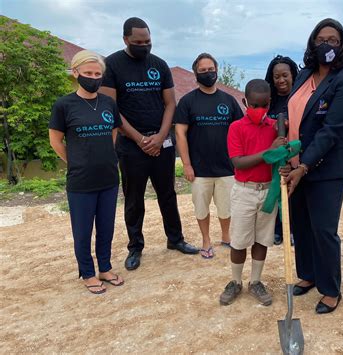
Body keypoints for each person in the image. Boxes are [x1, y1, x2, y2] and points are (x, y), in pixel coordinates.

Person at [100, 17, 198, 271]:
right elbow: (112, 108)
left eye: (148, 41)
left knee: (168, 193)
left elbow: (170, 104)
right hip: (131, 144)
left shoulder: (159, 65)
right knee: (134, 198)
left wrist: (161, 136)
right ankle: (135, 247)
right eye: (138, 42)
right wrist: (140, 139)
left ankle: (175, 239)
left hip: (161, 142)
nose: (144, 46)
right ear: (125, 40)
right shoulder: (112, 65)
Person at [284, 18, 343, 314]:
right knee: (301, 227)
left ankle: (330, 289)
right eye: (320, 39)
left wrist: (304, 166)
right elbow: (291, 112)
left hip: (327, 168)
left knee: (323, 229)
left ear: (341, 45)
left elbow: (332, 129)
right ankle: (308, 274)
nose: (326, 45)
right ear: (312, 43)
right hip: (295, 165)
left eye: (332, 40)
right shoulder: (304, 74)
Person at [49, 50, 124, 294]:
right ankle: (88, 273)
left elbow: (112, 133)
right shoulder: (64, 105)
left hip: (109, 177)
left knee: (106, 228)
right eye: (88, 73)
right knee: (82, 231)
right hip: (80, 181)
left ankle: (105, 267)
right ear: (76, 73)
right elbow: (56, 141)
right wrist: (76, 161)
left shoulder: (108, 103)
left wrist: (103, 157)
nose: (93, 77)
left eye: (97, 74)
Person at [219, 79, 286, 306]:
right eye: (254, 105)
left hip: (269, 191)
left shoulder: (276, 128)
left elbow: (281, 157)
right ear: (244, 101)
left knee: (262, 239)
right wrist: (270, 151)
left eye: (263, 105)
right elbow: (239, 162)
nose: (259, 110)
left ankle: (255, 281)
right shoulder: (236, 128)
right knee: (239, 241)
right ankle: (235, 281)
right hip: (244, 191)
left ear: (270, 103)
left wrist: (282, 152)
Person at [174, 53, 243, 259]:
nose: (207, 73)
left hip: (226, 167)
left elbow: (240, 131)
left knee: (226, 207)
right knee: (201, 208)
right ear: (196, 73)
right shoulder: (187, 101)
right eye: (203, 71)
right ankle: (206, 240)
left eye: (210, 70)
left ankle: (226, 236)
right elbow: (180, 133)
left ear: (216, 70)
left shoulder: (228, 100)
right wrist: (186, 164)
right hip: (199, 169)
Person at [264, 55, 299, 245]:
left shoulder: (300, 98)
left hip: (295, 155)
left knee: (294, 194)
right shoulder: (269, 100)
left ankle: (292, 229)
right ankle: (277, 230)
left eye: (285, 75)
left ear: (293, 75)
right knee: (276, 193)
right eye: (276, 76)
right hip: (274, 155)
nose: (281, 80)